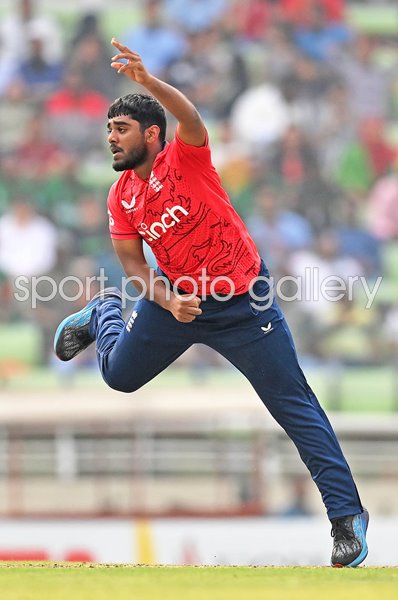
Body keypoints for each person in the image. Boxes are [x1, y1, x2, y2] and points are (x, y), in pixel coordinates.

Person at [54, 38, 369, 568]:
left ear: (152, 135)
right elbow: (134, 267)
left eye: (121, 128)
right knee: (119, 377)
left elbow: (191, 115)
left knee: (295, 409)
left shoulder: (187, 156)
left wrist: (149, 83)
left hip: (246, 303)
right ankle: (103, 311)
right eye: (108, 129)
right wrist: (168, 300)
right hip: (175, 299)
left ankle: (347, 521)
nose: (111, 138)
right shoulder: (120, 196)